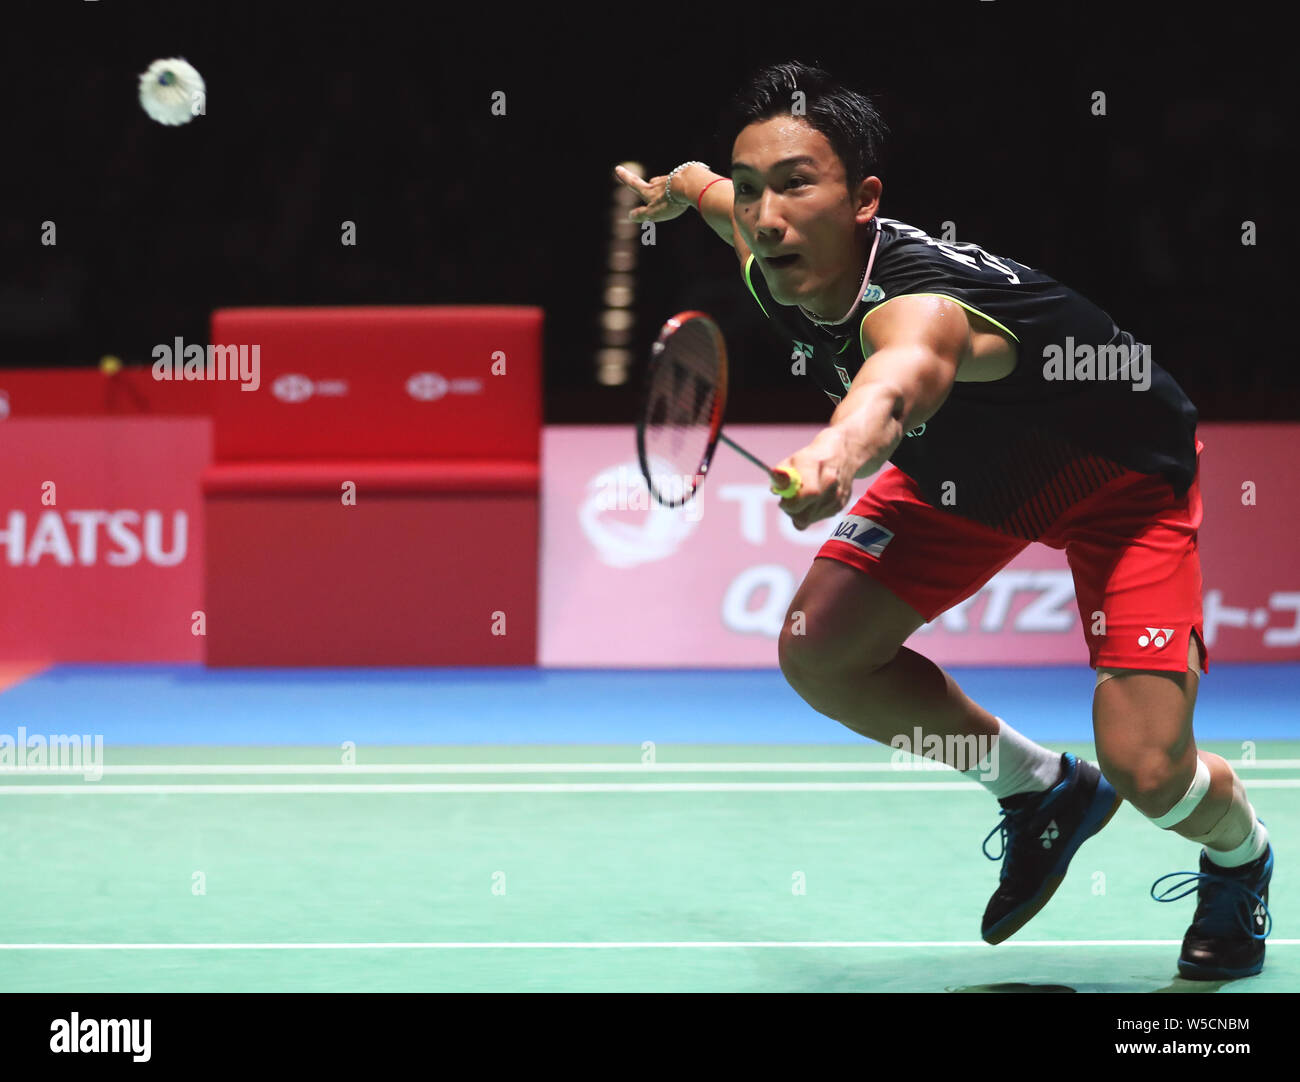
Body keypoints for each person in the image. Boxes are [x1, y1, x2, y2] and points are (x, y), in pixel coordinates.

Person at [615, 60, 1272, 980]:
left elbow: (887, 395)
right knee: (820, 647)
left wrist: (831, 463)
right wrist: (668, 193)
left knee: (1152, 770)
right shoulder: (764, 240)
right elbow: (701, 183)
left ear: (864, 199)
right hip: (964, 480)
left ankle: (1242, 863)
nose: (767, 215)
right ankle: (1040, 789)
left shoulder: (924, 313)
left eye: (797, 184)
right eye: (755, 189)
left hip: (1120, 485)